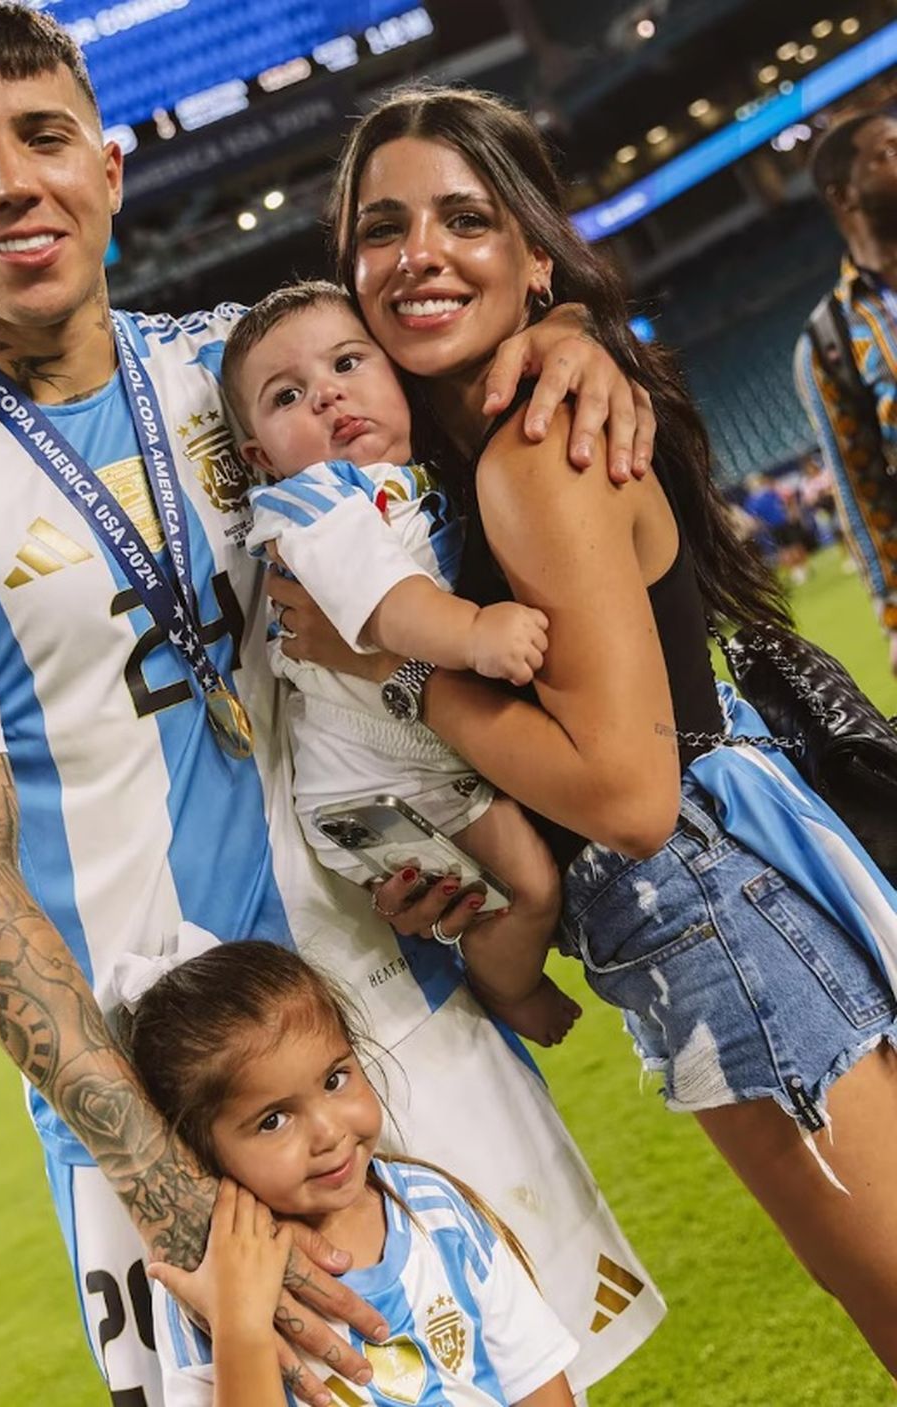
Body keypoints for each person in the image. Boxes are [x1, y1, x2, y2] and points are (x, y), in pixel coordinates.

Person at [0, 7, 663, 1401]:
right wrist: (172, 1196)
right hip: (173, 1107)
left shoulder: (239, 362)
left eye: (42, 135)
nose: (12, 181)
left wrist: (569, 329)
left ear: (111, 163)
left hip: (391, 1011)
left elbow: (456, 351)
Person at [288, 83, 897, 1370]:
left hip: (712, 914)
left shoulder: (530, 455)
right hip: (727, 902)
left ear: (530, 251)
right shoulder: (489, 445)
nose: (419, 255)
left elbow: (625, 798)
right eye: (382, 227)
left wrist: (397, 671)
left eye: (464, 218)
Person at [223, 281, 579, 1045]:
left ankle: (503, 975)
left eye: (348, 363)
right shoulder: (310, 503)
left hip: (421, 755)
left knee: (529, 883)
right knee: (532, 889)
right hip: (369, 780)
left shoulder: (423, 477)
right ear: (260, 455)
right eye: (288, 396)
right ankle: (512, 989)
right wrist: (477, 631)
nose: (327, 396)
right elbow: (384, 601)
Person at [120, 931, 577, 1406]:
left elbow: (537, 1382)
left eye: (335, 1080)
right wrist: (240, 1322)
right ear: (198, 1148)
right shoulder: (201, 1281)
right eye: (273, 1120)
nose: (328, 1133)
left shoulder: (436, 1207)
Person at [793, 109, 897, 676]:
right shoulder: (828, 343)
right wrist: (892, 613)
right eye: (889, 152)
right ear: (844, 195)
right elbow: (863, 492)